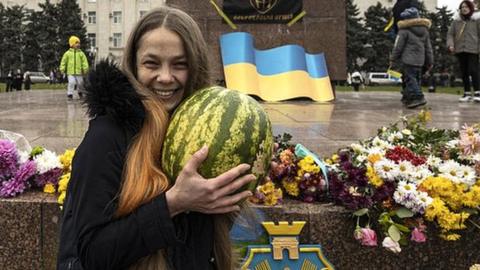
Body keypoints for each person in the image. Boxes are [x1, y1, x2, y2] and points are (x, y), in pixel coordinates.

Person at [57, 6, 254, 270]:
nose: (165, 77)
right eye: (151, 63)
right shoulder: (107, 136)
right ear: (134, 65)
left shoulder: (205, 132)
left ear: (195, 67)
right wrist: (173, 204)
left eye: (179, 64)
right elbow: (92, 255)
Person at [390, 7, 433, 109]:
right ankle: (409, 98)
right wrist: (430, 61)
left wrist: (393, 58)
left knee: (410, 79)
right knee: (416, 79)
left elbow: (398, 47)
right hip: (420, 61)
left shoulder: (404, 31)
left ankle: (419, 97)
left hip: (408, 60)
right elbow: (428, 48)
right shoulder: (425, 31)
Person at [447, 0, 480, 102]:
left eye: (466, 7)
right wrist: (451, 45)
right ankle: (467, 93)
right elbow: (450, 34)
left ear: (470, 8)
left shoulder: (477, 20)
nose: (464, 9)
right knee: (464, 71)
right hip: (460, 49)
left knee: (473, 70)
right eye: (462, 7)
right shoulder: (456, 21)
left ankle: (478, 92)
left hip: (473, 49)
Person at [59, 35, 89, 99]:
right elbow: (63, 62)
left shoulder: (81, 53)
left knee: (80, 83)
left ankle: (80, 92)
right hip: (70, 72)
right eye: (76, 43)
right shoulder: (67, 53)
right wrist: (62, 69)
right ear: (72, 44)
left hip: (79, 72)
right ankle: (70, 94)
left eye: (79, 43)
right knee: (71, 82)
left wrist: (85, 68)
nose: (78, 44)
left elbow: (84, 62)